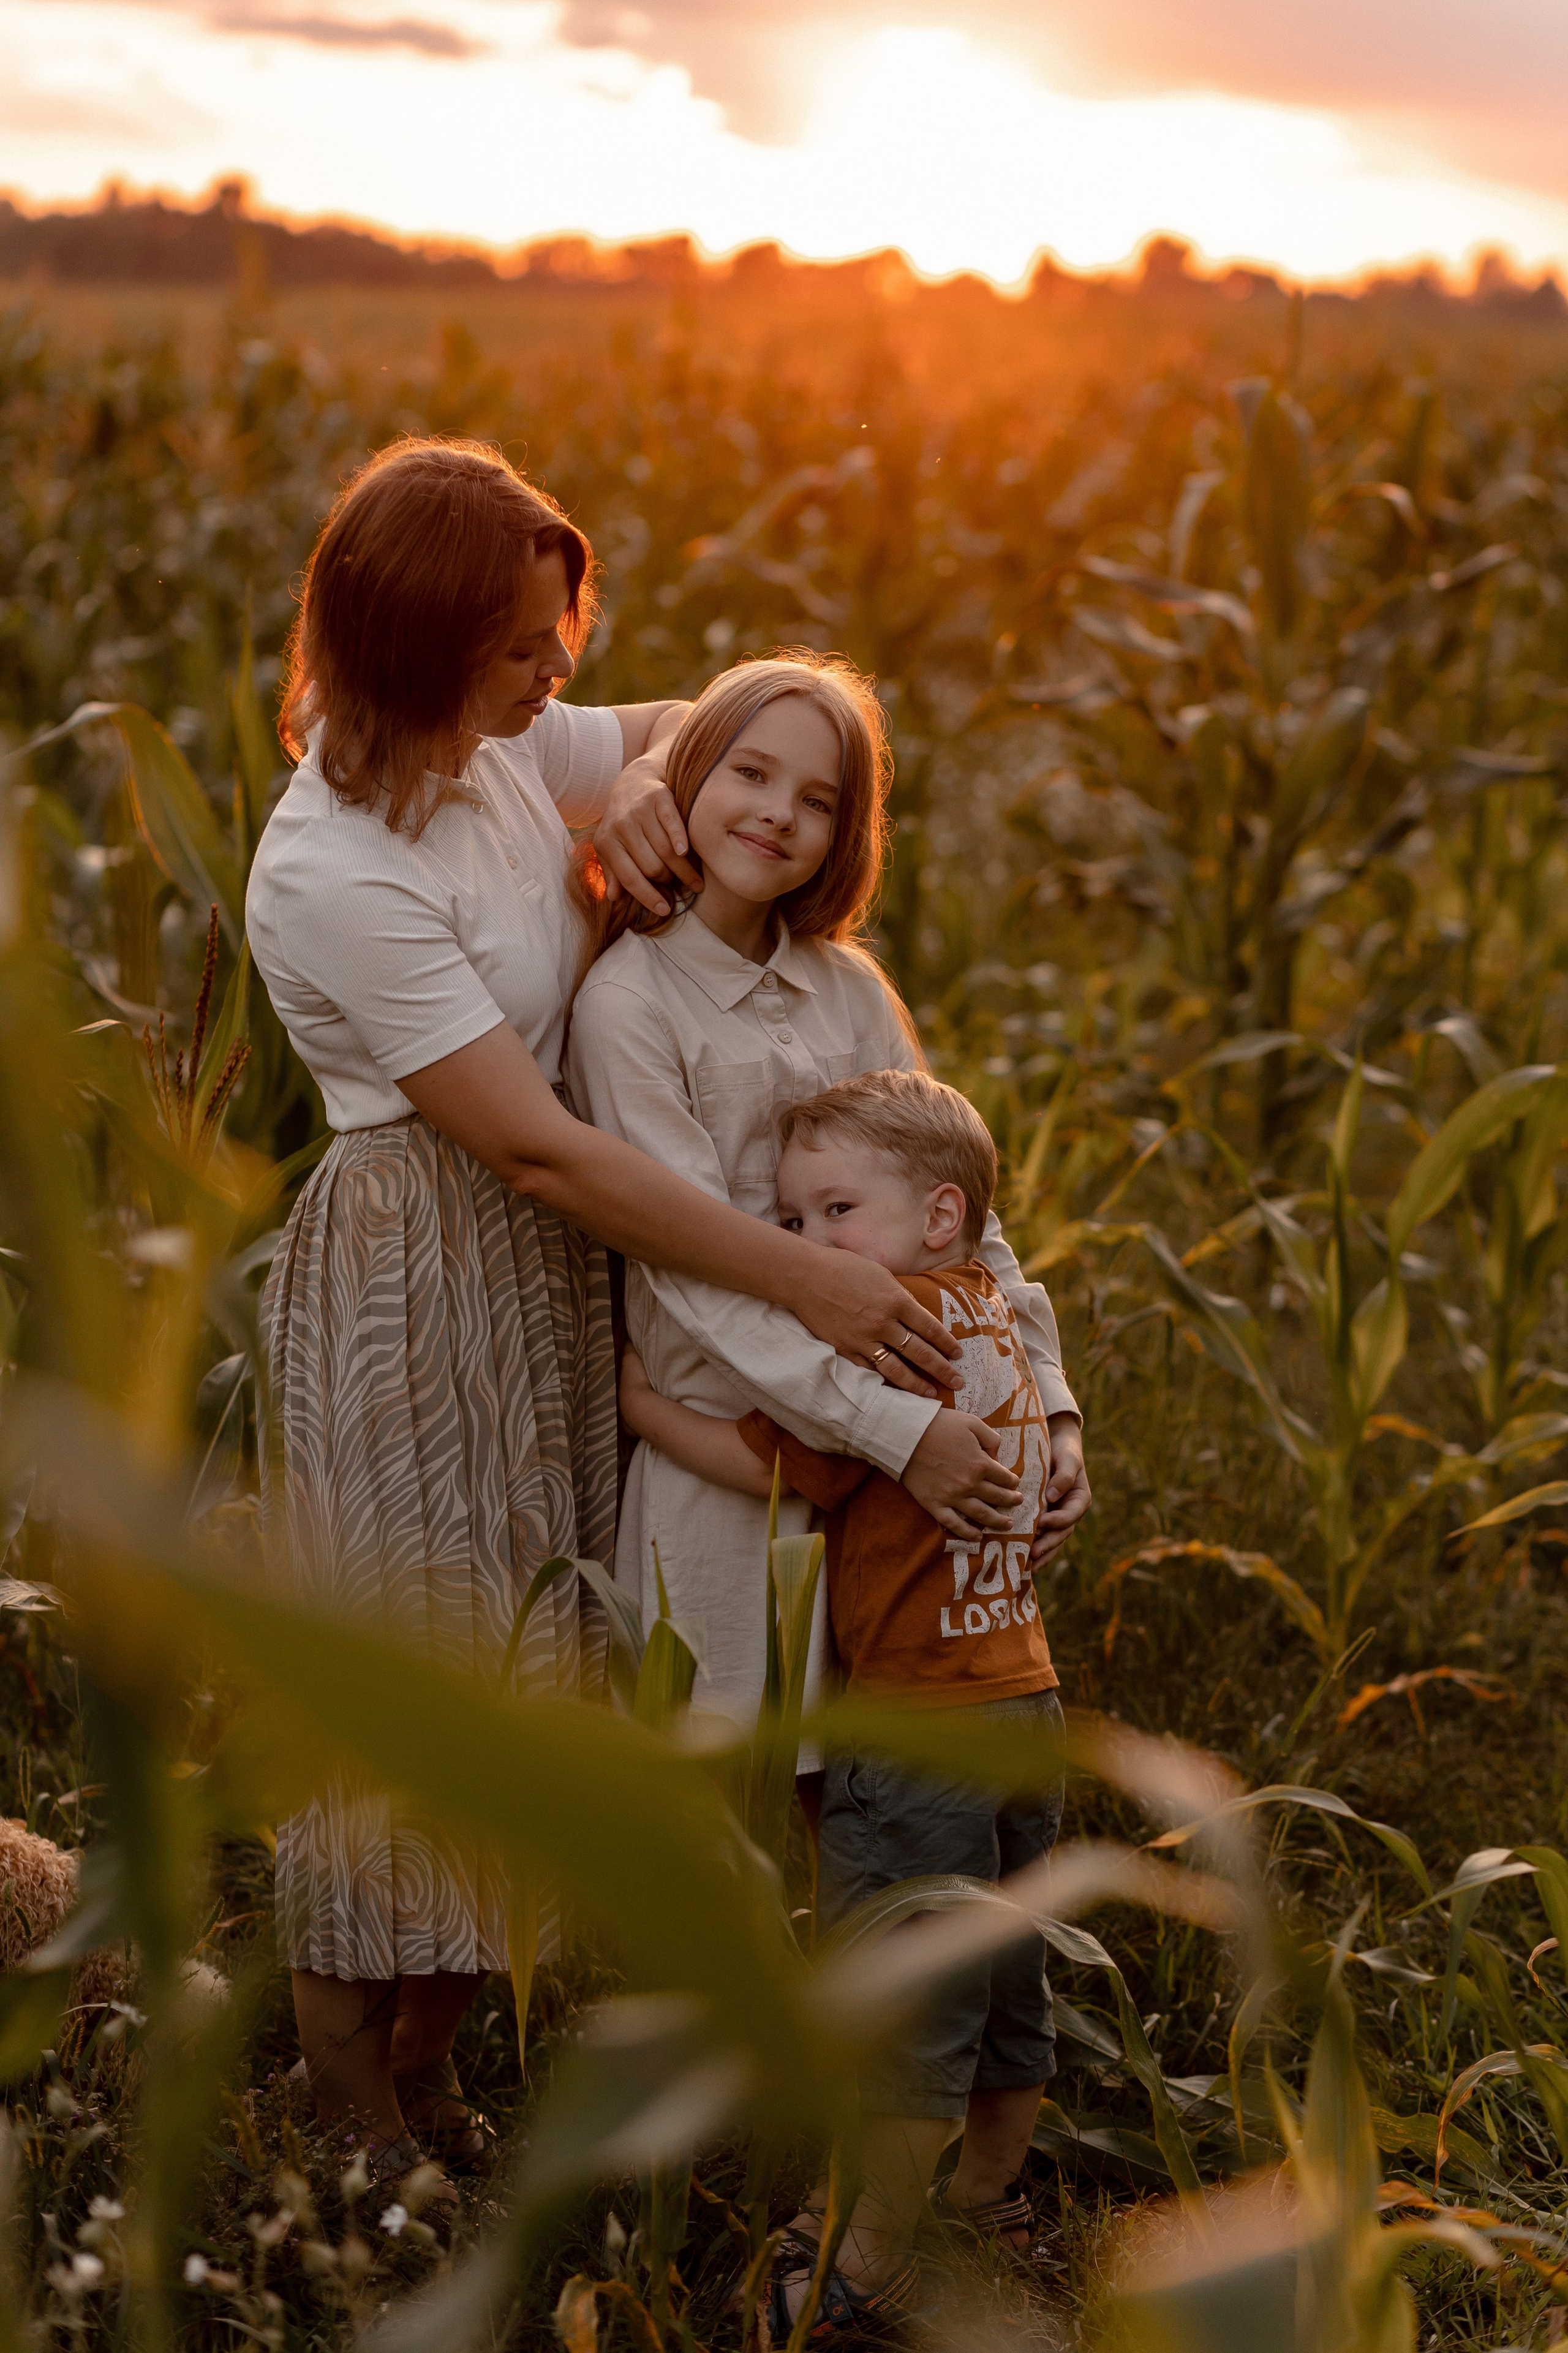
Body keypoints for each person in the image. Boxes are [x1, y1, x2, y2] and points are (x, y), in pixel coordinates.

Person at [246, 441, 1012, 2187]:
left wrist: (661, 777)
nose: (559, 680)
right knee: (423, 1665)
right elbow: (535, 1148)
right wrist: (809, 1272)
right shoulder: (334, 869)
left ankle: (437, 2053)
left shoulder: (510, 744)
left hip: (565, 1267)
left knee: (546, 1662)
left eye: (555, 645)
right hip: (424, 1275)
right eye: (523, 650)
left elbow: (735, 725)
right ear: (423, 645)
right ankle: (349, 2103)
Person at [566, 653, 1089, 1758]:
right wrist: (900, 1437)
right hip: (736, 1463)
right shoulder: (629, 1005)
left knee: (881, 1805)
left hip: (911, 1479)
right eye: (751, 772)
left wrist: (1047, 1407)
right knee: (720, 1792)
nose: (778, 814)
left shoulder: (849, 988)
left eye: (819, 800)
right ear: (689, 773)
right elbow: (689, 1274)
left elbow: (966, 1219)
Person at [619, 1067, 1071, 2330]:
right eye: (790, 1220)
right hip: (1021, 1694)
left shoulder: (891, 1338)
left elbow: (790, 1465)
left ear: (937, 1218)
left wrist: (645, 1405)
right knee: (1003, 1971)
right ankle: (988, 2200)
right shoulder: (990, 1310)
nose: (805, 1248)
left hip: (917, 1719)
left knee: (901, 1993)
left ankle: (860, 2254)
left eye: (831, 1213)